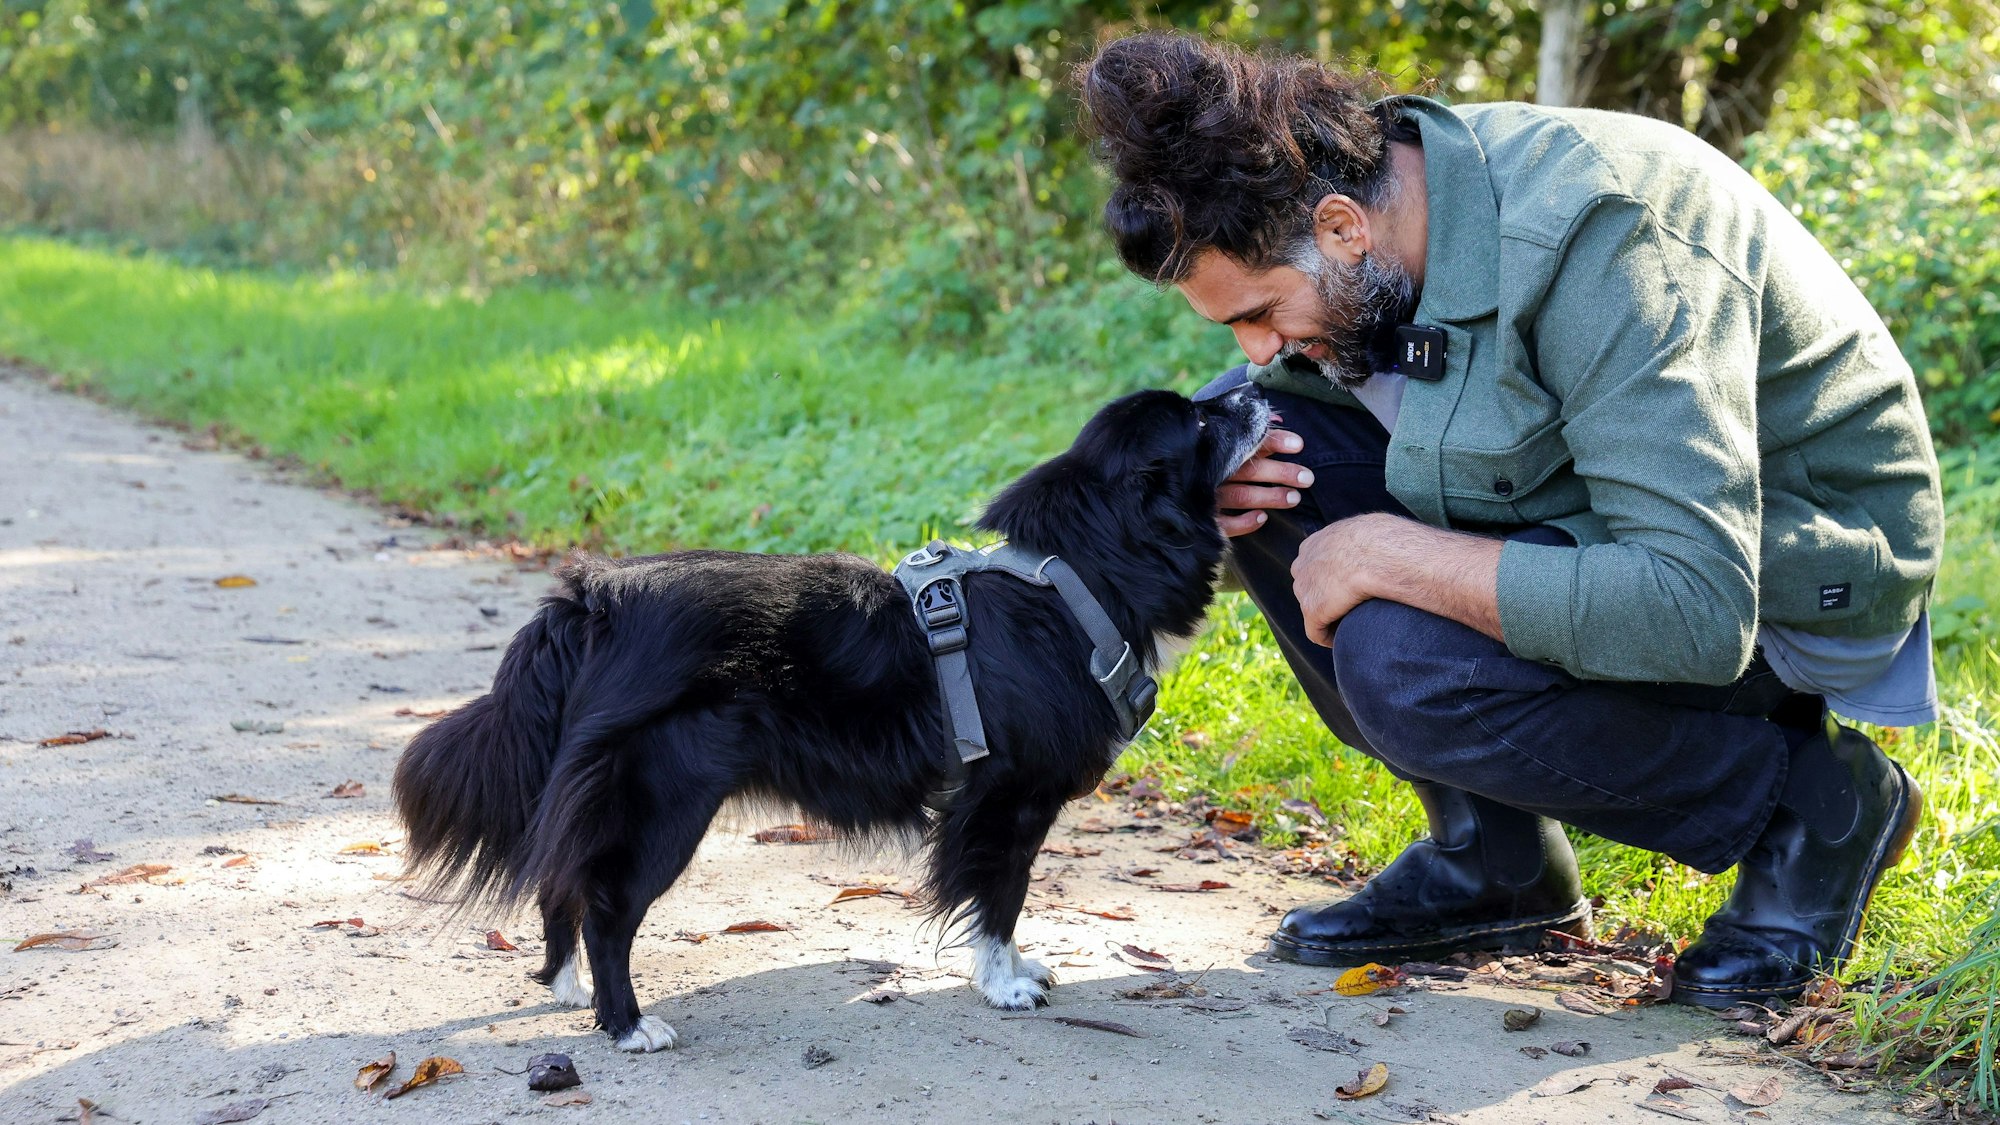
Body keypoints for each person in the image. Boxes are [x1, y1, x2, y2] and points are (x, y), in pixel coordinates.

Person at [1077, 31, 1942, 1007]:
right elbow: (1273, 407)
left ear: (1338, 228)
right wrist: (1199, 487)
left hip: (1788, 559)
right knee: (1251, 442)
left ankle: (1810, 800)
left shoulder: (1603, 235)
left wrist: (1390, 553)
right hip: (1583, 500)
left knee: (1405, 659)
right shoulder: (1390, 212)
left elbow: (1690, 605)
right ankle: (1494, 861)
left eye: (1260, 310)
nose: (1256, 343)